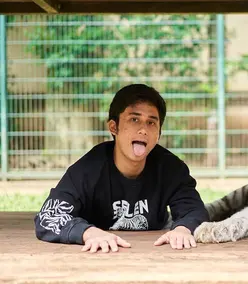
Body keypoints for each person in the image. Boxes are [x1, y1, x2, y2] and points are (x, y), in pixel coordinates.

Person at [34, 83, 209, 253]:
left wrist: (183, 229)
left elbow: (194, 210)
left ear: (159, 134)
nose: (143, 130)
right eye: (134, 119)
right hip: (100, 254)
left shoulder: (171, 168)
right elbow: (48, 216)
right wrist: (87, 232)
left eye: (151, 123)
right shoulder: (87, 170)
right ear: (113, 127)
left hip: (155, 253)